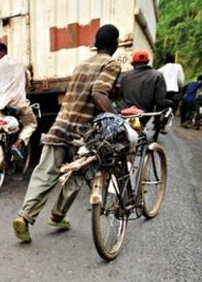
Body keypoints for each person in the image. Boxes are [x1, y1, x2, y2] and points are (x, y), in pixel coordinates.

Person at [12, 24, 121, 243]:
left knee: (45, 173)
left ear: (96, 44)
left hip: (60, 124)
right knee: (80, 172)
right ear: (115, 44)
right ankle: (58, 214)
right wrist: (115, 118)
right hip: (84, 130)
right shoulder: (111, 63)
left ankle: (24, 216)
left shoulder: (82, 65)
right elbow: (99, 92)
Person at [0, 42, 37, 159]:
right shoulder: (19, 63)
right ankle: (17, 143)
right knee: (31, 124)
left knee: (0, 130)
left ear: (2, 52)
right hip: (19, 102)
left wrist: (0, 97)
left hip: (1, 104)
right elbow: (28, 79)